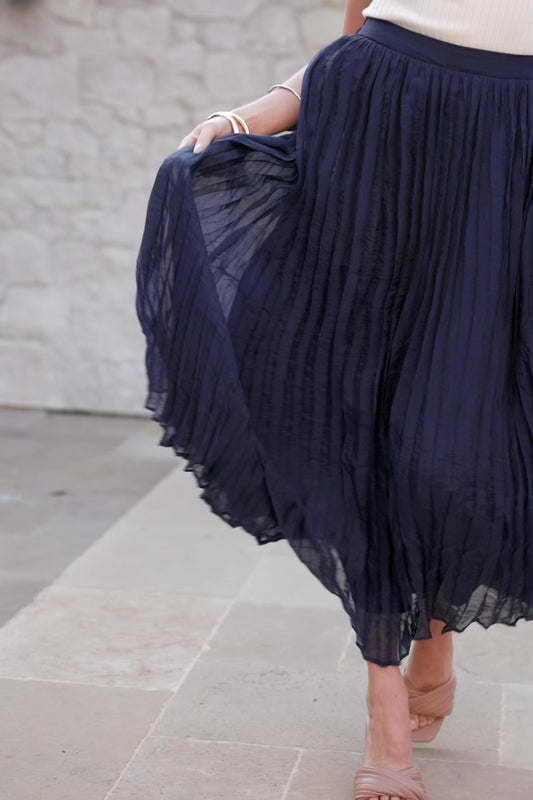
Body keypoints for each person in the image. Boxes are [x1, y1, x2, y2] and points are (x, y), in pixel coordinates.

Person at [136, 2, 533, 798]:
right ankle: (383, 700)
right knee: (355, 417)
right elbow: (353, 41)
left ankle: (432, 637)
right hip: (374, 135)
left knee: (453, 441)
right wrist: (242, 117)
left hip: (505, 157)